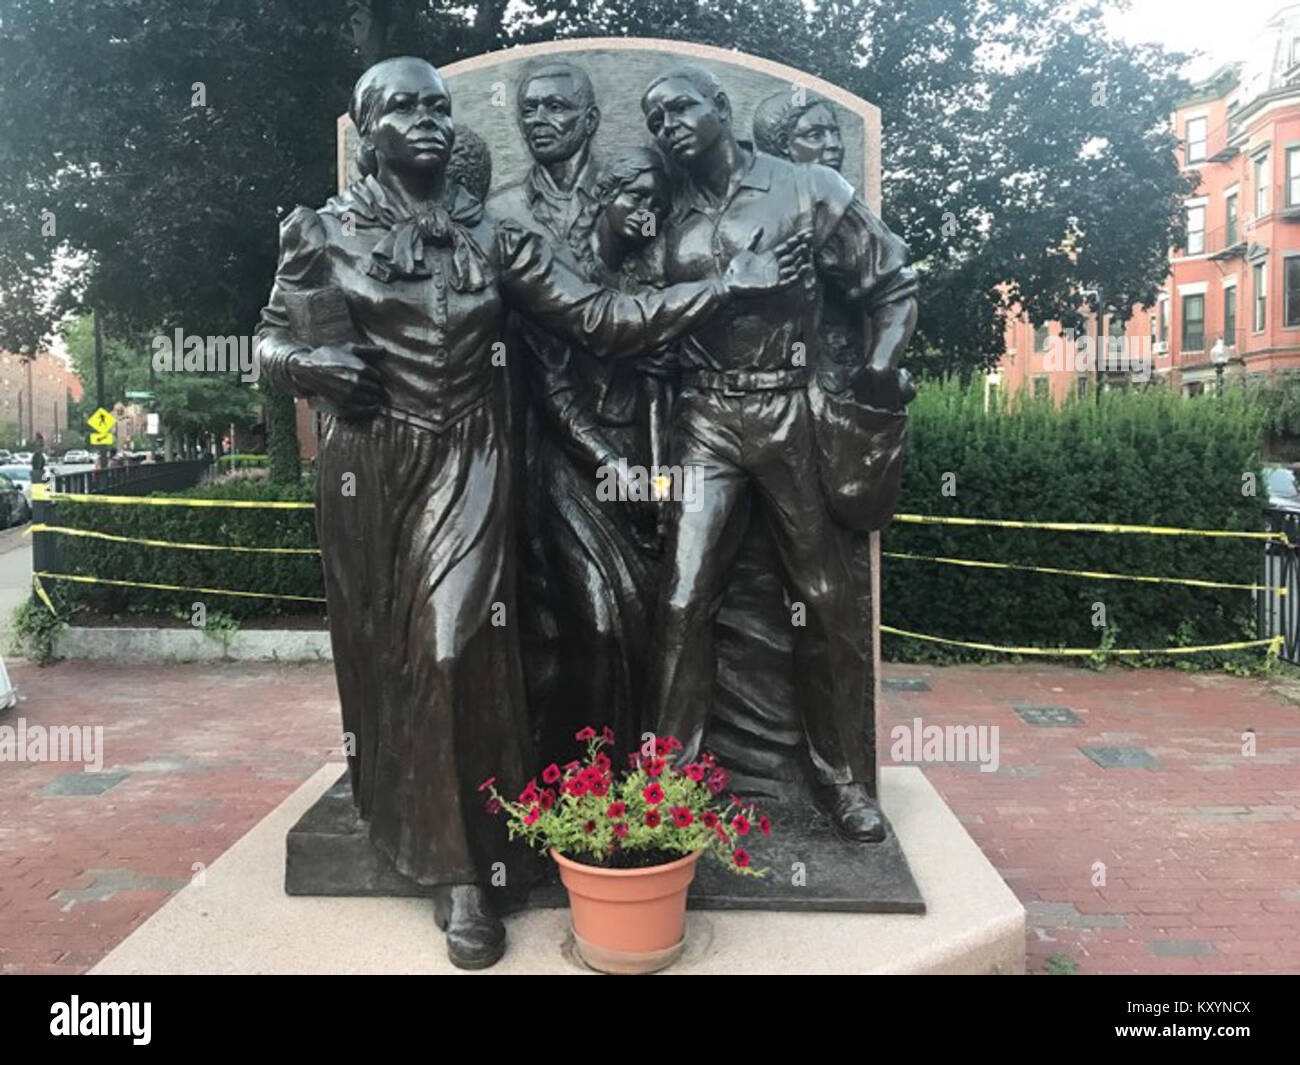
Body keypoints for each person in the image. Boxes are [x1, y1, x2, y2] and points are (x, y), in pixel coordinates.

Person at [257, 56, 808, 969]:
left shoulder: (498, 240)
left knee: (451, 640)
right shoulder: (323, 234)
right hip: (368, 470)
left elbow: (602, 318)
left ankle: (463, 873)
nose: (428, 121)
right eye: (405, 109)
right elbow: (275, 341)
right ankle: (425, 825)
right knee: (389, 660)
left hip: (468, 455)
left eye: (439, 108)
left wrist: (725, 287)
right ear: (369, 132)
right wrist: (310, 368)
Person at [641, 64, 917, 842]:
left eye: (679, 109)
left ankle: (840, 780)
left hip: (790, 408)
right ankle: (668, 784)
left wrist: (875, 369)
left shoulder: (808, 188)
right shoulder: (668, 213)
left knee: (824, 598)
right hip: (704, 418)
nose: (666, 127)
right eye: (654, 119)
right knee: (682, 597)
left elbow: (892, 284)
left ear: (720, 109)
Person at [525, 146, 678, 767]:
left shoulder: (652, 280)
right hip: (572, 468)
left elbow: (665, 389)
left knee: (649, 627)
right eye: (635, 198)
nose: (646, 213)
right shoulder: (556, 275)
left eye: (658, 205)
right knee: (596, 623)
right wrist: (615, 471)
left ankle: (639, 778)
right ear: (601, 199)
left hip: (643, 459)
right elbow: (554, 395)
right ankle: (578, 775)